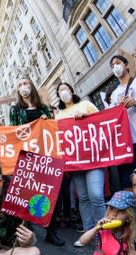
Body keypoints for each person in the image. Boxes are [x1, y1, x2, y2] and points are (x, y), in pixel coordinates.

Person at [9, 78, 65, 246]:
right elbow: (15, 131)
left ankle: (51, 231)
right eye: (19, 85)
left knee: (53, 193)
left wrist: (46, 120)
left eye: (25, 84)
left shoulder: (44, 108)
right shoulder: (16, 109)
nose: (23, 87)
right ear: (18, 91)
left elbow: (52, 129)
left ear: (31, 86)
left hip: (47, 154)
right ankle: (27, 230)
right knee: (28, 193)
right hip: (28, 156)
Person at [55, 82, 105, 246]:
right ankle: (88, 232)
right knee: (83, 197)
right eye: (60, 90)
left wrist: (86, 116)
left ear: (71, 91)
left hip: (93, 158)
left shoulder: (85, 104)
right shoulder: (59, 115)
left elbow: (104, 121)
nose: (64, 92)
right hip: (75, 164)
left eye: (66, 89)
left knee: (96, 195)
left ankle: (104, 234)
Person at [109, 55, 136, 190]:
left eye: (118, 62)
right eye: (112, 65)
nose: (115, 66)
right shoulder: (114, 95)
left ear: (127, 65)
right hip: (129, 147)